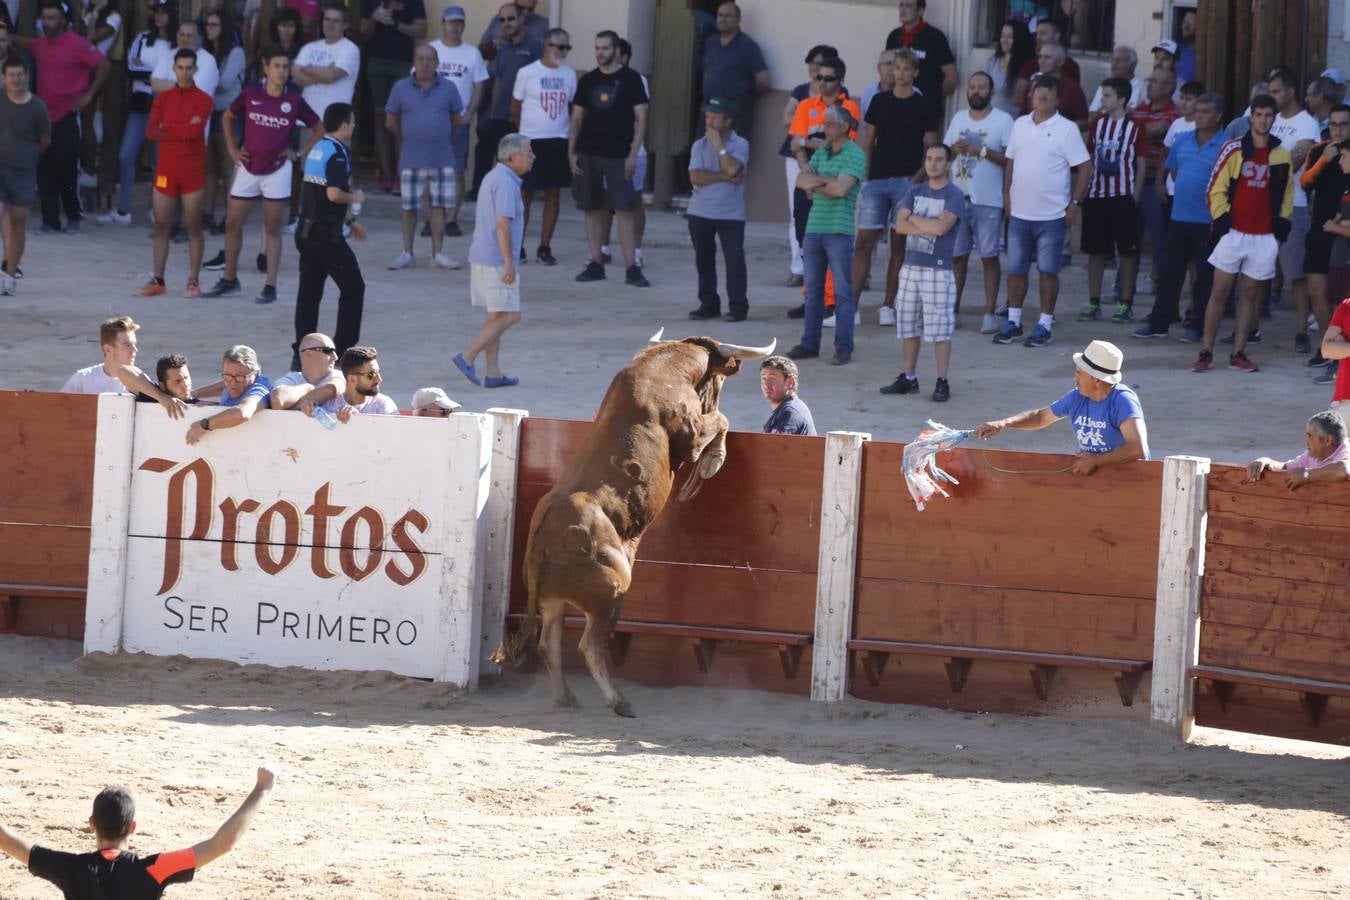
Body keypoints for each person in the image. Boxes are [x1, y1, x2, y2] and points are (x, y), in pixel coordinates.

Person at [0, 766, 276, 899]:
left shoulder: (70, 867)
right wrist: (261, 789)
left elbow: (5, 838)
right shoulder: (154, 869)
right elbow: (221, 844)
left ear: (91, 823)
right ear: (133, 827)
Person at [202, 45, 320, 303]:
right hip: (248, 166)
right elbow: (227, 116)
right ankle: (229, 279)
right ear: (266, 68)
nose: (281, 71)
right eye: (276, 66)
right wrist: (232, 149)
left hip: (278, 170)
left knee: (272, 228)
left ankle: (270, 286)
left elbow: (319, 127)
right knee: (233, 224)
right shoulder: (251, 94)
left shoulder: (294, 100)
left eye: (285, 67)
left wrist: (298, 153)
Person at [1192, 94, 1293, 373]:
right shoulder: (1233, 149)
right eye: (1259, 115)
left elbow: (1286, 193)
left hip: (1263, 237)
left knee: (1250, 295)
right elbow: (1216, 186)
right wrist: (1222, 221)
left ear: (1274, 118)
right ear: (1251, 118)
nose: (1263, 120)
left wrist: (1281, 225)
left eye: (1268, 115)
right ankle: (1206, 351)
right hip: (1233, 234)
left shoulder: (1281, 154)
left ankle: (1238, 352)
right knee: (1219, 292)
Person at [995, 75, 1090, 348]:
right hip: (1019, 213)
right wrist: (1006, 194)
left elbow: (1085, 167)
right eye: (1039, 91)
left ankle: (1045, 324)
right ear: (1031, 96)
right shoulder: (1019, 125)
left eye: (1049, 93)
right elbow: (1010, 162)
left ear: (1058, 100)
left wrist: (1075, 203)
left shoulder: (1067, 129)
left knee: (1048, 271)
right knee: (1015, 270)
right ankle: (1013, 320)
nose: (1043, 96)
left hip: (1052, 216)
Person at [974, 339, 1150, 474]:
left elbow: (1136, 448)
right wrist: (1004, 423)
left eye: (1079, 374)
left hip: (1130, 477)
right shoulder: (1076, 397)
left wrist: (1096, 461)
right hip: (1097, 475)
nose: (1075, 378)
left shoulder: (1123, 400)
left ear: (1097, 379)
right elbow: (1041, 417)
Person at [855, 49, 940, 327]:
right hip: (877, 180)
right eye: (896, 67)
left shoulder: (923, 105)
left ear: (915, 72)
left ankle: (888, 304)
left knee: (898, 244)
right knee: (864, 241)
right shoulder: (879, 101)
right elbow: (868, 141)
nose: (900, 73)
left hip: (907, 182)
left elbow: (932, 146)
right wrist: (865, 177)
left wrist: (918, 178)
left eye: (906, 68)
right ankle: (851, 306)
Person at [1133, 92, 1226, 341]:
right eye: (1197, 111)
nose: (1199, 116)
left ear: (1218, 116)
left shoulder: (1227, 145)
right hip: (1180, 216)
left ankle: (1196, 325)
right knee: (1168, 270)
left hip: (1209, 220)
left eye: (1206, 111)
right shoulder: (1182, 140)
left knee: (1204, 276)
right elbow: (1173, 172)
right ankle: (1159, 321)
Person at [880, 143, 965, 402]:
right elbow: (900, 226)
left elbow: (941, 231)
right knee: (907, 325)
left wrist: (915, 218)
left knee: (940, 329)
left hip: (938, 270)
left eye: (939, 159)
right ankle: (909, 377)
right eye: (929, 158)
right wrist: (927, 223)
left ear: (947, 163)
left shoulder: (954, 195)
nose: (933, 163)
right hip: (910, 268)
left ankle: (942, 380)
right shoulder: (914, 190)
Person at [785, 105, 864, 366]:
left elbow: (842, 190)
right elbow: (801, 182)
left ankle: (843, 347)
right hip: (815, 228)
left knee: (842, 292)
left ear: (844, 128)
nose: (824, 128)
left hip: (839, 231)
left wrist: (817, 183)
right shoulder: (823, 152)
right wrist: (826, 181)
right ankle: (810, 343)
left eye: (829, 124)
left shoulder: (855, 155)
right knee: (813, 290)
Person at [569, 30, 648, 287]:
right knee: (592, 208)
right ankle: (595, 263)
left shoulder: (631, 79)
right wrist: (571, 152)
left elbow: (642, 119)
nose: (600, 53)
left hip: (619, 155)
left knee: (625, 210)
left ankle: (632, 268)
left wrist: (633, 153)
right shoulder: (588, 80)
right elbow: (577, 118)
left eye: (605, 48)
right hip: (589, 153)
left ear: (616, 50)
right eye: (597, 48)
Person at [453, 132, 532, 389]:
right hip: (496, 260)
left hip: (484, 257)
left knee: (495, 316)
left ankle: (494, 373)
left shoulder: (494, 176)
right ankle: (467, 356)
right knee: (511, 315)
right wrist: (509, 261)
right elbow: (502, 225)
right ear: (514, 157)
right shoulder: (506, 182)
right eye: (529, 152)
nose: (533, 157)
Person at [135, 48, 212, 299]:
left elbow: (193, 131)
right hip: (166, 170)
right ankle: (158, 280)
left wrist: (167, 127)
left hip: (191, 171)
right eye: (180, 67)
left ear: (196, 69)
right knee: (161, 225)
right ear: (174, 68)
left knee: (193, 226)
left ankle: (193, 280)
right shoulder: (162, 98)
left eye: (189, 68)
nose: (185, 72)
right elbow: (150, 132)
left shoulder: (204, 99)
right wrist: (180, 128)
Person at [26, 0, 109, 234]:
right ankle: (50, 220)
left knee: (67, 168)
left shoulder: (77, 44)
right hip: (43, 117)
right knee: (44, 170)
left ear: (63, 20)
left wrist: (89, 95)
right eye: (45, 18)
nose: (47, 22)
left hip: (68, 116)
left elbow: (104, 65)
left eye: (52, 18)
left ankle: (74, 214)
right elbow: (24, 43)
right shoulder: (40, 45)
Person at [787, 56, 859, 319]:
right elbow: (796, 145)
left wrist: (811, 143)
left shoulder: (849, 108)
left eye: (827, 79)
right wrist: (807, 170)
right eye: (818, 78)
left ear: (839, 81)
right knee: (807, 242)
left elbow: (842, 145)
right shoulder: (806, 105)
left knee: (833, 244)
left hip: (835, 182)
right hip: (810, 177)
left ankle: (830, 301)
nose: (821, 83)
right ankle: (811, 298)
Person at [293, 102, 365, 366]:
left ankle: (301, 352)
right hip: (325, 237)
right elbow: (333, 194)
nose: (355, 126)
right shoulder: (337, 153)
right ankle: (345, 351)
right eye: (354, 122)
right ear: (345, 124)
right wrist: (354, 196)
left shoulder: (318, 149)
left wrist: (350, 220)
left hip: (306, 233)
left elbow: (317, 193)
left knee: (309, 294)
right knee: (354, 288)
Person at [385, 42, 464, 270]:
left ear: (437, 63)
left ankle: (437, 253)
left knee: (438, 207)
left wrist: (439, 136)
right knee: (409, 207)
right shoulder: (400, 88)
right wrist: (409, 138)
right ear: (414, 61)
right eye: (420, 58)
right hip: (411, 157)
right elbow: (390, 121)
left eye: (430, 59)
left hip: (442, 156)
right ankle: (406, 253)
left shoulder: (449, 88)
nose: (425, 63)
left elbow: (456, 120)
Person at [944, 70, 1012, 334]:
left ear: (991, 92)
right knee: (957, 256)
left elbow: (1010, 159)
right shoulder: (959, 117)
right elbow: (946, 151)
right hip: (958, 197)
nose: (976, 91)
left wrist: (980, 151)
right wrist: (955, 149)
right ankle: (953, 310)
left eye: (982, 87)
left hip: (989, 199)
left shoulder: (1003, 120)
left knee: (989, 257)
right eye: (972, 87)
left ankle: (989, 313)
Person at [1077, 77, 1147, 324]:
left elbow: (1140, 161)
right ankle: (1093, 301)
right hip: (1097, 195)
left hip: (1123, 196)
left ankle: (1124, 303)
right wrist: (1084, 191)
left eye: (1107, 95)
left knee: (1127, 252)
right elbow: (1090, 156)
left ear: (1121, 99)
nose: (1102, 100)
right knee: (1095, 252)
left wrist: (1135, 195)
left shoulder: (1135, 126)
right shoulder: (1098, 124)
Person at [101, 0, 176, 226]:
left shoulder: (175, 43)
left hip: (165, 106)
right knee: (126, 155)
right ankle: (123, 209)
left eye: (164, 12)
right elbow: (131, 68)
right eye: (157, 12)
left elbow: (175, 76)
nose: (159, 17)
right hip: (141, 103)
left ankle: (157, 208)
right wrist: (158, 78)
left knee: (160, 160)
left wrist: (153, 78)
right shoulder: (143, 38)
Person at [1267, 68, 1321, 354]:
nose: (1272, 97)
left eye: (1276, 91)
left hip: (1294, 205)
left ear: (1289, 91)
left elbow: (1296, 161)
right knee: (1257, 268)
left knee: (1296, 273)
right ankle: (1250, 326)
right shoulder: (1270, 118)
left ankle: (1301, 329)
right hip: (1263, 203)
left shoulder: (1307, 124)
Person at [511, 27, 575, 266]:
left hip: (558, 140)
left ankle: (545, 246)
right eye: (560, 47)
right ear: (547, 46)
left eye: (567, 47)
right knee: (525, 194)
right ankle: (518, 245)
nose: (564, 52)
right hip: (531, 141)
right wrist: (524, 134)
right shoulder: (527, 73)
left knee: (553, 194)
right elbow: (515, 106)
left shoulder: (569, 75)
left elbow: (571, 108)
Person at [686, 95, 749, 323]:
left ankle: (738, 306)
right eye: (707, 117)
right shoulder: (698, 145)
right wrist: (725, 175)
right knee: (703, 259)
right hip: (699, 210)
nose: (709, 122)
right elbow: (695, 177)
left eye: (715, 117)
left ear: (727, 121)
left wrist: (719, 147)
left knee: (734, 260)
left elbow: (735, 169)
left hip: (730, 213)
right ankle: (708, 303)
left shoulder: (740, 144)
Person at [779, 45, 836, 287]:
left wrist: (806, 132)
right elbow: (786, 120)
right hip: (796, 157)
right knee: (798, 211)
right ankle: (798, 267)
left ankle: (822, 270)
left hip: (826, 159)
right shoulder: (801, 91)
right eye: (811, 63)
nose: (814, 68)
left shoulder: (837, 98)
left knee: (824, 212)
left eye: (819, 64)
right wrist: (809, 131)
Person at [1299, 106, 1350, 367]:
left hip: (1343, 235)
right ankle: (1326, 347)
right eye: (1333, 124)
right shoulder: (1319, 150)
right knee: (1316, 291)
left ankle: (1342, 351)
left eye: (1343, 124)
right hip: (1320, 229)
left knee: (1341, 297)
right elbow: (1304, 183)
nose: (1338, 129)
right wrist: (1323, 160)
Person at [472, 3, 540, 199]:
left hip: (518, 116)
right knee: (484, 152)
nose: (506, 23)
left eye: (511, 19)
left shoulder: (534, 45)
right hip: (494, 113)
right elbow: (491, 76)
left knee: (513, 162)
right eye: (502, 20)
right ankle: (478, 191)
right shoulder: (500, 45)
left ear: (521, 19)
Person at [359, 0, 426, 195]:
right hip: (377, 61)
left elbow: (421, 31)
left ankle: (401, 175)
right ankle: (385, 175)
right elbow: (363, 32)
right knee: (380, 119)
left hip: (403, 63)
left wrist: (396, 24)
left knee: (400, 120)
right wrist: (374, 17)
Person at [431, 6, 487, 236]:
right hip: (432, 121)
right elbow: (416, 79)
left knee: (457, 171)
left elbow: (480, 87)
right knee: (431, 171)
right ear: (443, 23)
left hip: (457, 121)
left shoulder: (472, 54)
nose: (455, 26)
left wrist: (468, 115)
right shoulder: (431, 49)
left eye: (459, 23)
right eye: (451, 22)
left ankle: (452, 219)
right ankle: (433, 218)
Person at [0, 55, 49, 295]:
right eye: (11, 75)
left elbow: (45, 140)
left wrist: (27, 155)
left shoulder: (37, 107)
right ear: (4, 79)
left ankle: (10, 274)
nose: (16, 79)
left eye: (20, 74)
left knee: (18, 223)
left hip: (24, 171)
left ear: (26, 77)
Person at [202, 9, 246, 230]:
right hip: (210, 111)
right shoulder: (208, 51)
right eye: (208, 25)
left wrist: (201, 79)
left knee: (229, 168)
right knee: (209, 168)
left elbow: (225, 82)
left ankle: (231, 217)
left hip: (229, 112)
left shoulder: (236, 52)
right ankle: (207, 213)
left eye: (214, 25)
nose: (209, 29)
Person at [700, 1, 768, 137]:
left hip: (734, 110)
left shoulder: (748, 45)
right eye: (720, 15)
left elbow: (764, 80)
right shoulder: (710, 42)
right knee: (705, 149)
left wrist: (741, 96)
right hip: (710, 108)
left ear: (738, 20)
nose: (722, 19)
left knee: (732, 152)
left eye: (727, 16)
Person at [186, 344, 271, 443]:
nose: (233, 383)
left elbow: (242, 413)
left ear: (255, 374)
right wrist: (192, 395)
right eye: (227, 376)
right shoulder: (233, 379)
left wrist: (203, 425)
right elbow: (222, 386)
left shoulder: (259, 389)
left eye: (239, 377)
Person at [1246, 411, 1350, 487]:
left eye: (1310, 436)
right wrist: (1267, 461)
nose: (1306, 440)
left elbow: (1344, 470)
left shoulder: (1346, 452)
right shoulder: (1314, 454)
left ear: (1327, 440)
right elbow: (1286, 467)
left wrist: (1307, 475)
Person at [292, 4, 359, 121]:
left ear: (345, 25)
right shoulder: (309, 47)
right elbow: (296, 77)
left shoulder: (350, 48)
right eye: (327, 19)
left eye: (336, 21)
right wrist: (324, 72)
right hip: (308, 119)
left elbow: (330, 77)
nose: (330, 24)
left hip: (335, 121)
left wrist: (306, 69)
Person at [297, 345, 399, 419]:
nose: (379, 379)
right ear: (352, 379)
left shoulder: (384, 405)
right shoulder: (328, 406)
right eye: (371, 375)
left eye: (378, 372)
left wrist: (359, 420)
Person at [883, 0, 957, 102]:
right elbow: (887, 69)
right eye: (901, 5)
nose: (902, 10)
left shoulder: (935, 36)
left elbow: (951, 76)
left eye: (908, 6)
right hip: (896, 104)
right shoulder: (894, 36)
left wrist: (934, 99)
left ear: (921, 11)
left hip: (925, 107)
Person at [1012, 18, 1080, 110]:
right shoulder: (1030, 64)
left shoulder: (1070, 66)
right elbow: (1017, 98)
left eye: (1043, 33)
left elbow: (1071, 99)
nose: (1038, 37)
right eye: (1037, 34)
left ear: (1057, 36)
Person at [61, 315, 138, 393]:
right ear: (108, 349)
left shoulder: (139, 384)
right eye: (127, 345)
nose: (134, 350)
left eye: (134, 344)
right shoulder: (83, 379)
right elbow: (57, 404)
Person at [269, 331, 342, 409]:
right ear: (309, 353)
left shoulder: (338, 375)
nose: (335, 357)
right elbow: (277, 400)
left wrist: (292, 407)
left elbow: (330, 390)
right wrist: (307, 388)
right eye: (328, 351)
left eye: (335, 352)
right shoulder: (291, 379)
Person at [1019, 43, 1087, 127]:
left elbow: (1083, 121)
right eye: (1040, 57)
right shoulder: (1031, 85)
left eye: (1047, 57)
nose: (1041, 61)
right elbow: (1022, 115)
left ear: (1060, 62)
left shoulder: (1073, 88)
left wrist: (1061, 129)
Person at [148, 20, 219, 96]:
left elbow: (197, 92)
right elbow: (155, 84)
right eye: (182, 34)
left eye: (189, 36)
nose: (184, 39)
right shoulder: (168, 55)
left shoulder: (208, 60)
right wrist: (185, 85)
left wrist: (167, 84)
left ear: (199, 38)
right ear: (177, 36)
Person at [116, 352, 198, 416]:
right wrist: (161, 397)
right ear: (162, 386)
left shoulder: (198, 404)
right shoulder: (151, 394)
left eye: (186, 378)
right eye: (177, 381)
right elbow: (122, 371)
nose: (186, 384)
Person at [985, 18, 1035, 116]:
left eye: (1010, 37)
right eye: (1002, 36)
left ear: (1020, 39)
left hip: (1014, 120)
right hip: (991, 117)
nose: (1004, 40)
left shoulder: (1028, 66)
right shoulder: (993, 61)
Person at [760, 355, 815, 435]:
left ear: (790, 382)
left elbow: (772, 446)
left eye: (772, 379)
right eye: (764, 378)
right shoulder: (789, 408)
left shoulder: (790, 413)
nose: (766, 385)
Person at [1087, 46, 1144, 112]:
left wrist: (1104, 110)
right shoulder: (1105, 85)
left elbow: (1129, 113)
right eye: (1112, 60)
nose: (1113, 64)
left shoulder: (1141, 87)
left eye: (1118, 61)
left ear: (1132, 65)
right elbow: (1092, 114)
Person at [1177, 9, 1197, 83]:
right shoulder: (1176, 49)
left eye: (1190, 24)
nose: (1185, 27)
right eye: (1184, 22)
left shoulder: (1203, 55)